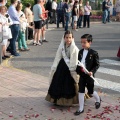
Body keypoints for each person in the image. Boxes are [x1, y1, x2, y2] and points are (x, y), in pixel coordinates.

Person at [45, 30, 80, 106]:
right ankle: (57, 100)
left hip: (69, 68)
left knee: (69, 85)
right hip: (61, 67)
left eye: (70, 37)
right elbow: (58, 56)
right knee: (58, 82)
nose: (68, 39)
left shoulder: (74, 48)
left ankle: (69, 101)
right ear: (64, 38)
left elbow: (74, 60)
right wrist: (54, 67)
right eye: (66, 37)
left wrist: (72, 70)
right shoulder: (62, 46)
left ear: (72, 38)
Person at [74, 34, 101, 116]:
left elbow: (97, 65)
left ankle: (98, 100)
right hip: (82, 75)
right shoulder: (80, 52)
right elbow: (78, 62)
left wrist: (92, 72)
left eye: (84, 42)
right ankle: (81, 108)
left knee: (91, 92)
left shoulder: (94, 53)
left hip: (89, 76)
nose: (82, 44)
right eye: (81, 42)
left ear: (90, 42)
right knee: (81, 91)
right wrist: (78, 70)